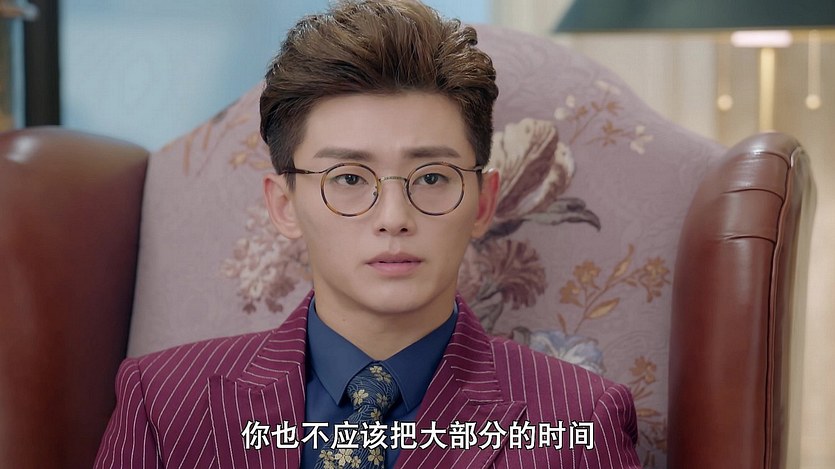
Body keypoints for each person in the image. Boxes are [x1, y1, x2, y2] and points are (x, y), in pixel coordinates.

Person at [95, 1, 641, 467]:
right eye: (350, 179)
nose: (393, 216)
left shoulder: (579, 420)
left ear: (483, 201)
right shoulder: (165, 403)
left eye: (432, 177)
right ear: (284, 205)